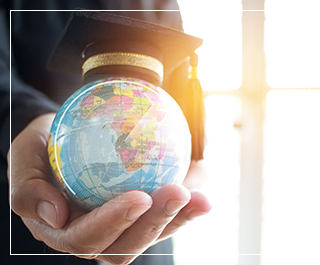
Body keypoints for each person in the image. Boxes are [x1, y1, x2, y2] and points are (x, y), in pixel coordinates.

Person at [0, 1, 211, 265]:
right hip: (30, 235)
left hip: (148, 244)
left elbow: (185, 123)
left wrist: (191, 165)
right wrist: (28, 120)